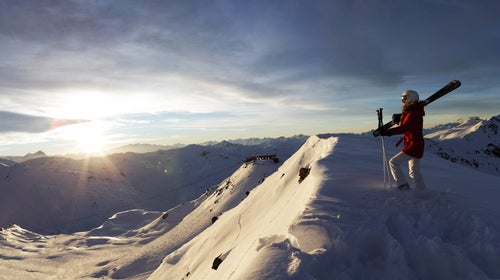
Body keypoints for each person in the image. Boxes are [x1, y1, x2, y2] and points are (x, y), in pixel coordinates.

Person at [380, 90, 426, 190]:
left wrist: (388, 132)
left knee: (393, 162)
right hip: (415, 144)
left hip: (414, 145)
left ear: (410, 98)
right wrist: (398, 120)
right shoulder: (412, 111)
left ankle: (403, 186)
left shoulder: (413, 113)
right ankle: (422, 192)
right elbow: (406, 126)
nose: (403, 101)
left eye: (404, 98)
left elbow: (405, 128)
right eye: (402, 99)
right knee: (414, 171)